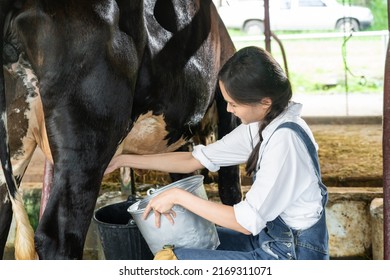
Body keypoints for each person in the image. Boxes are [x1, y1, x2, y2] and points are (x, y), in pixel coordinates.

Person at [104, 46, 329, 260]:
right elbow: (194, 160)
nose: (229, 109)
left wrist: (178, 196)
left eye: (234, 103)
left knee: (171, 260)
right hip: (269, 240)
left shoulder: (285, 141)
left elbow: (245, 222)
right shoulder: (265, 124)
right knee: (189, 242)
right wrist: (124, 160)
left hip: (292, 255)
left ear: (265, 102)